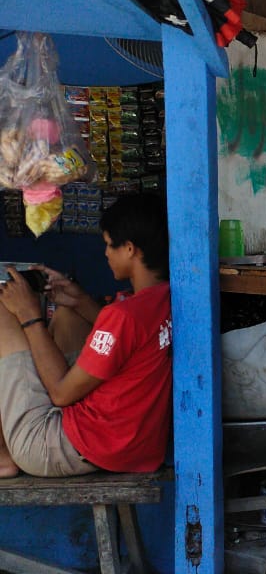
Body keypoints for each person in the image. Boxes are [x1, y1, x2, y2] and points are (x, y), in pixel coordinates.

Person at [0, 194, 172, 479]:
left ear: (130, 249)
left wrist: (30, 316)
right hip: (130, 446)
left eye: (108, 245)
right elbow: (127, 337)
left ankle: (3, 454)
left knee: (3, 309)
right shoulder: (161, 300)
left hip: (64, 448)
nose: (105, 253)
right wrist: (78, 299)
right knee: (69, 314)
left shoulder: (122, 315)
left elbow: (60, 394)